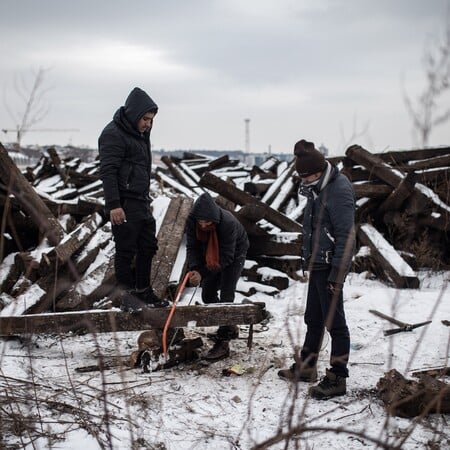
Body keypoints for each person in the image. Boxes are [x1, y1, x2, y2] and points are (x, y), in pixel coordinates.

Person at [278, 139, 355, 400]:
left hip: (330, 265)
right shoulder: (315, 188)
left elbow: (346, 236)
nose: (305, 180)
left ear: (320, 170)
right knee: (313, 317)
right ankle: (307, 367)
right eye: (301, 176)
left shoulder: (338, 190)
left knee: (336, 324)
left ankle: (337, 377)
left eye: (308, 175)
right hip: (318, 262)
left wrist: (337, 275)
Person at [99, 87, 168, 311]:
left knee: (148, 246)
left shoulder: (140, 135)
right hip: (124, 202)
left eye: (151, 120)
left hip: (141, 200)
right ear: (133, 114)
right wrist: (114, 205)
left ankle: (144, 292)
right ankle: (127, 298)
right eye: (145, 118)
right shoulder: (113, 134)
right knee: (126, 250)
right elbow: (108, 171)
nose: (148, 123)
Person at [185, 193, 249, 361]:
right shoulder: (192, 221)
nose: (204, 225)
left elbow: (227, 257)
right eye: (201, 222)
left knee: (227, 293)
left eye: (208, 222)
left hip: (235, 253)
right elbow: (192, 247)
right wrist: (195, 268)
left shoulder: (227, 223)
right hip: (210, 253)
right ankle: (229, 324)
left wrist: (203, 273)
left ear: (215, 219)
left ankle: (224, 341)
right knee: (207, 295)